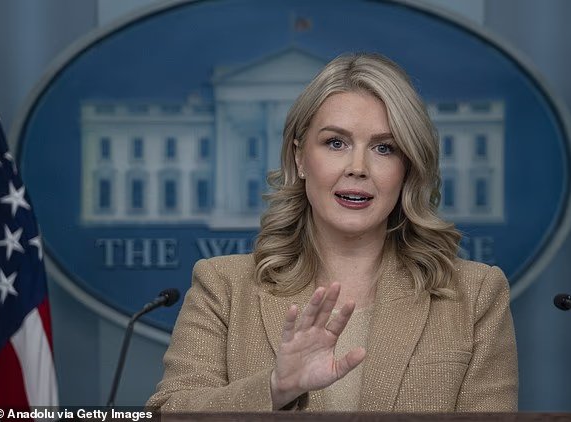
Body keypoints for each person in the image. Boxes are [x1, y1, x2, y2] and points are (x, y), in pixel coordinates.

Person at [146, 53, 518, 412]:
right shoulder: (224, 287)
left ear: (408, 167)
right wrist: (275, 388)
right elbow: (167, 413)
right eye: (336, 143)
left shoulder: (476, 296)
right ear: (299, 158)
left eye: (384, 148)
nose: (358, 167)